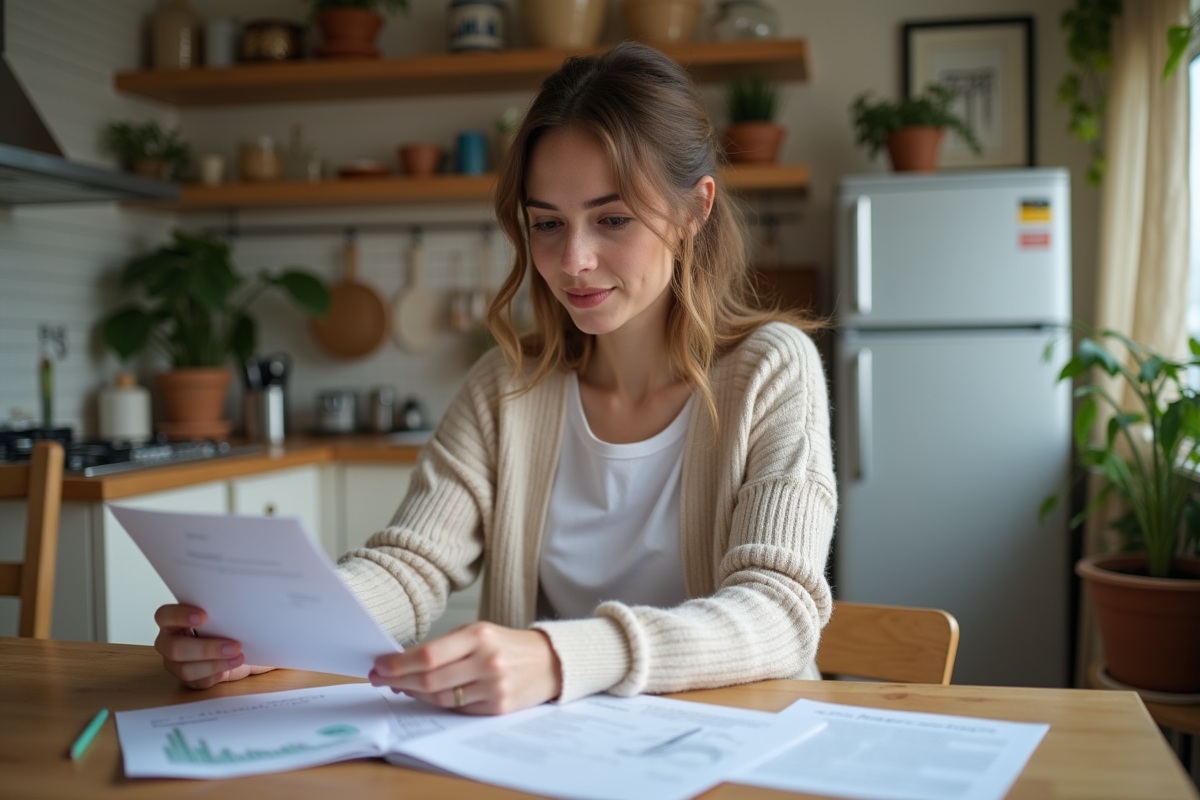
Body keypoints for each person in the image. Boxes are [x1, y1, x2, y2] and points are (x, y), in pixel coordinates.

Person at [153, 42, 836, 716]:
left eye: (613, 219)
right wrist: (268, 630)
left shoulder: (772, 369)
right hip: (552, 749)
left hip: (737, 744)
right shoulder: (506, 386)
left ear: (695, 210)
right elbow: (411, 566)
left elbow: (778, 610)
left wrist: (558, 658)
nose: (573, 260)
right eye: (548, 224)